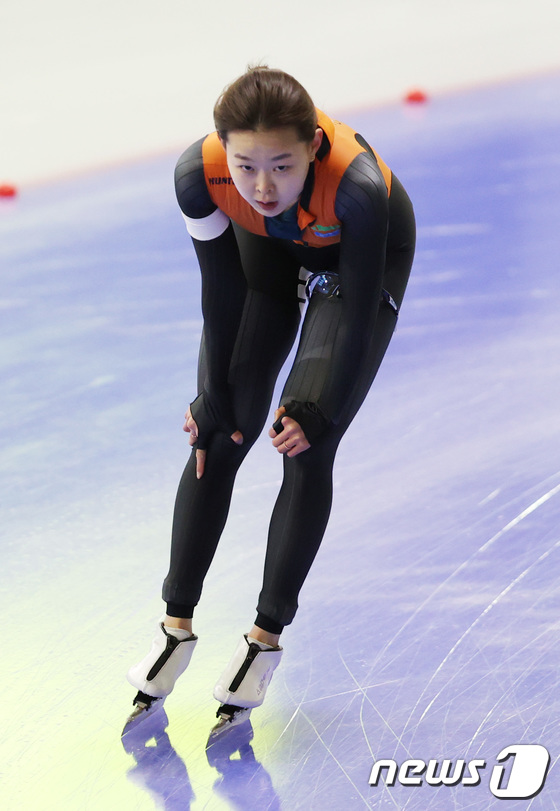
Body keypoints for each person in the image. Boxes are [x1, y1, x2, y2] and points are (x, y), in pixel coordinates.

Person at [123, 66, 416, 736]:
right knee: (216, 433)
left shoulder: (358, 188)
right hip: (268, 261)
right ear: (222, 151)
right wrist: (212, 395)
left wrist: (320, 409)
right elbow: (222, 289)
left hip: (356, 270)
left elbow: (357, 316)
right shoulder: (197, 177)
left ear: (313, 147)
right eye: (246, 166)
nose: (262, 186)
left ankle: (263, 639)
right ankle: (174, 628)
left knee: (303, 441)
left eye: (282, 166)